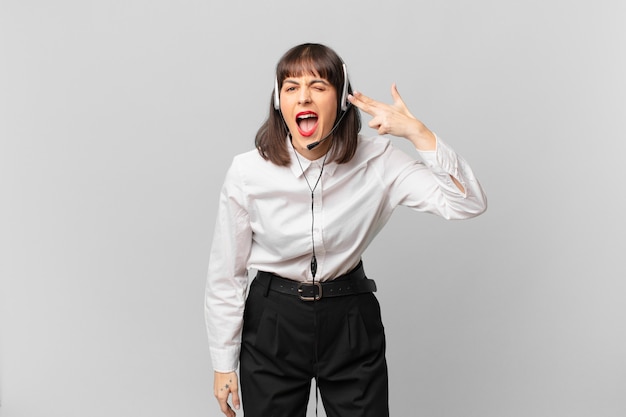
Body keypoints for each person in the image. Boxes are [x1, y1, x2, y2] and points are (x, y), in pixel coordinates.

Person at [204, 42, 487, 417]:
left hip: (350, 316)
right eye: (291, 87)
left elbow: (467, 202)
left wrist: (418, 133)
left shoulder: (379, 160)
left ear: (340, 101)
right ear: (278, 102)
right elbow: (227, 273)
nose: (303, 96)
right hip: (273, 320)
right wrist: (224, 361)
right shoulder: (247, 172)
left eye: (318, 86)